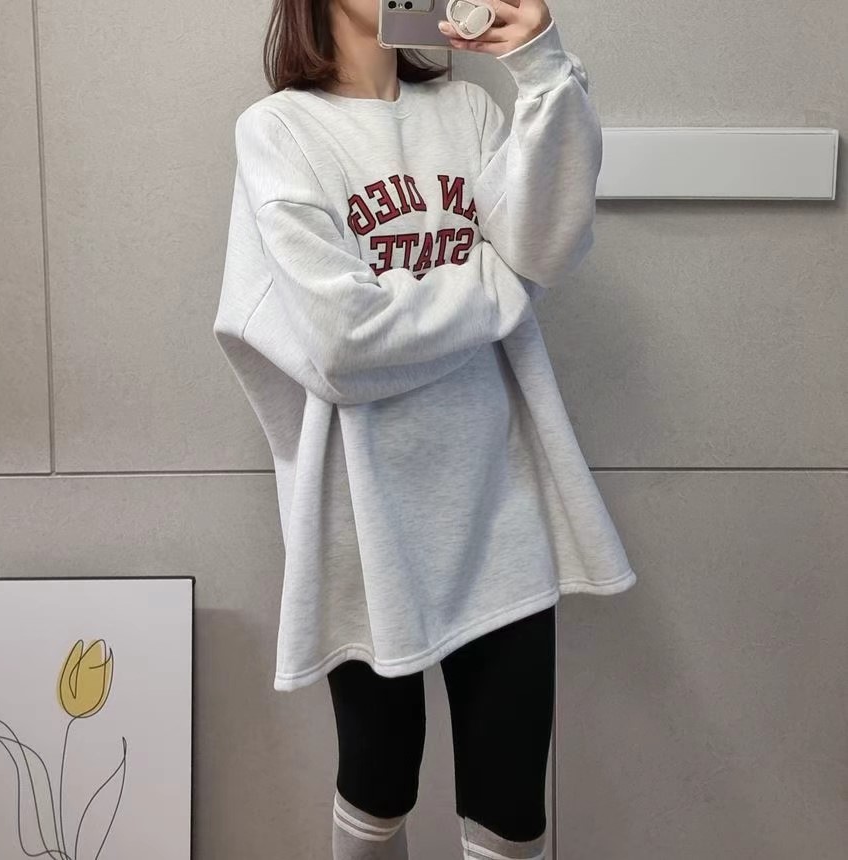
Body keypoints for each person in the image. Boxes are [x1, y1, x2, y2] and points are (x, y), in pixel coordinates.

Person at [212, 0, 637, 856]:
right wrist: (499, 286)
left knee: (511, 807)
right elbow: (344, 343)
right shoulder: (278, 131)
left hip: (501, 496)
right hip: (363, 521)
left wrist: (541, 69)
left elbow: (547, 245)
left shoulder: (469, 110)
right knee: (379, 782)